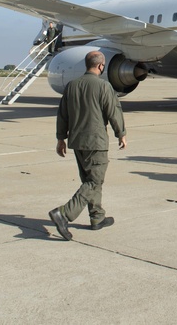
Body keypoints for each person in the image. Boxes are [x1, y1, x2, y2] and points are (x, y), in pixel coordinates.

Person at [48, 51, 127, 241]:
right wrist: (121, 133)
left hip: (77, 142)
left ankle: (97, 217)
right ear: (101, 66)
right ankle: (64, 214)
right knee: (94, 181)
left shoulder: (72, 86)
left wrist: (61, 139)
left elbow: (63, 115)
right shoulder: (103, 86)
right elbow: (113, 111)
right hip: (96, 142)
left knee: (90, 180)